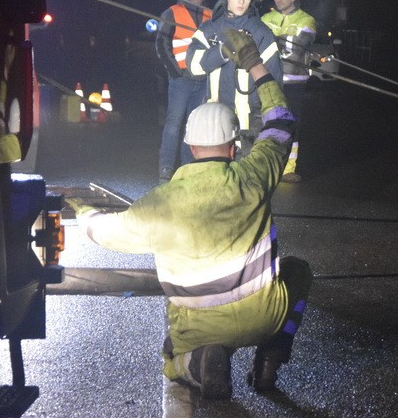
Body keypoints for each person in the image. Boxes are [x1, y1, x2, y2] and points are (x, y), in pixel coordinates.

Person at [71, 29, 312, 399]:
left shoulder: (162, 201)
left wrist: (84, 212)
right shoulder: (254, 175)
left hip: (199, 328)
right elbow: (281, 121)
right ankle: (268, 365)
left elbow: (107, 233)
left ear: (189, 144)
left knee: (172, 357)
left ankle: (197, 362)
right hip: (265, 317)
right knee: (298, 271)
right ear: (233, 146)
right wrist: (253, 64)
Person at [189, 0, 282, 159]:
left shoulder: (262, 33)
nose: (241, 1)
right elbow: (194, 68)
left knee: (247, 183)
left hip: (250, 124)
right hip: (214, 123)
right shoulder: (209, 29)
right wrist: (222, 51)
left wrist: (265, 120)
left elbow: (274, 83)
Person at [155, 0, 213, 182]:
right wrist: (175, 71)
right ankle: (166, 169)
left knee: (193, 126)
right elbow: (161, 44)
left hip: (203, 80)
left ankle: (187, 168)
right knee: (173, 124)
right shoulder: (172, 12)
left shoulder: (210, 15)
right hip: (181, 80)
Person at [261, 0, 317, 183]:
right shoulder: (266, 19)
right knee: (267, 122)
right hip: (270, 79)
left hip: (294, 81)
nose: (278, 0)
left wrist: (273, 43)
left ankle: (288, 169)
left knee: (292, 124)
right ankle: (267, 165)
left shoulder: (307, 20)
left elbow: (294, 50)